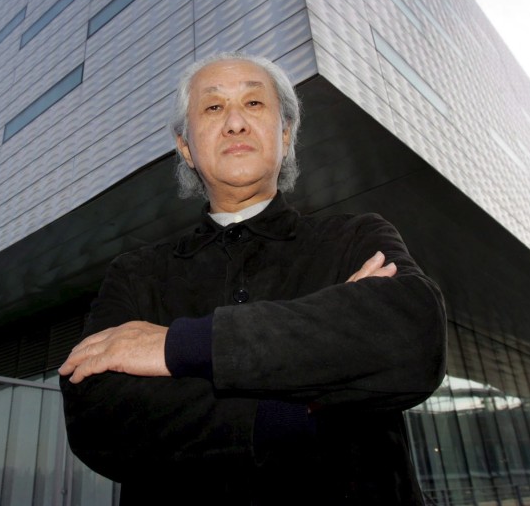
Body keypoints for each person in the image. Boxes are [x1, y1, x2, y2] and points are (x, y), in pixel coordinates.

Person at [59, 52, 447, 505]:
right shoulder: (136, 274)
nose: (236, 123)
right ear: (185, 145)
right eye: (213, 107)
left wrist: (175, 347)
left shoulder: (357, 237)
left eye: (255, 104)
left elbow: (412, 336)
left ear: (285, 134)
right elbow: (96, 414)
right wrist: (306, 401)